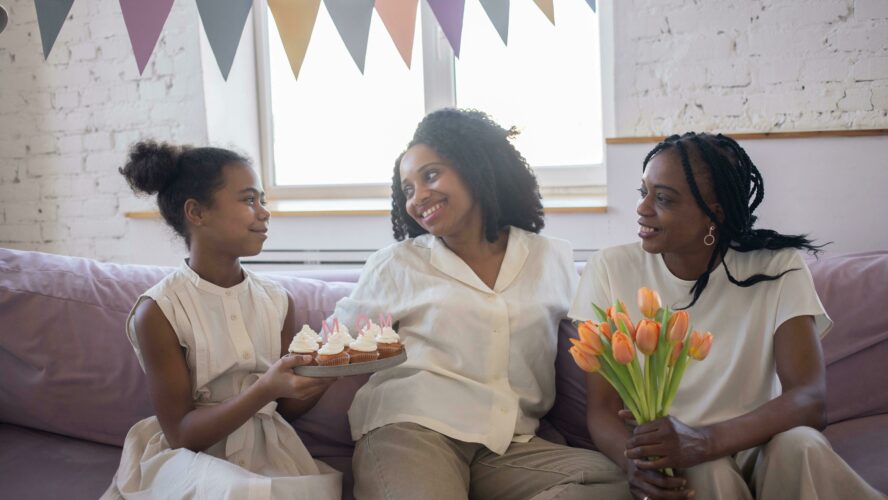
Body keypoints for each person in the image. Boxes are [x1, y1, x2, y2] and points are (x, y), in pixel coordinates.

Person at [331, 108, 629, 500]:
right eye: (407, 189)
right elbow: (333, 343)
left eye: (431, 175)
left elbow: (595, 338)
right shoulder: (397, 263)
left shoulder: (550, 258)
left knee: (617, 481)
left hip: (508, 443)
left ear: (477, 167)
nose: (418, 197)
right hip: (412, 430)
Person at [570, 132, 884, 500]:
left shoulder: (778, 266)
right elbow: (602, 409)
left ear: (713, 214)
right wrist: (634, 464)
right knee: (705, 471)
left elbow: (810, 399)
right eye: (644, 193)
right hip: (680, 459)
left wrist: (705, 440)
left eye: (664, 198)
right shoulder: (610, 269)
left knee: (801, 445)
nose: (642, 209)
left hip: (762, 446)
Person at [102, 141, 341, 499]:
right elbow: (182, 434)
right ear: (197, 213)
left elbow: (285, 410)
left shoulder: (278, 301)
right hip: (191, 459)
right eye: (248, 200)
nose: (264, 212)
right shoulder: (160, 310)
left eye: (262, 200)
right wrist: (266, 388)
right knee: (237, 491)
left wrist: (322, 376)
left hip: (269, 452)